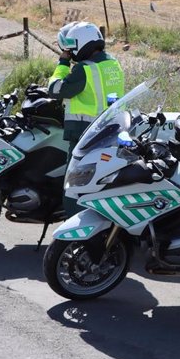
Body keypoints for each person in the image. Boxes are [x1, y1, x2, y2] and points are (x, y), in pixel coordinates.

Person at [48, 21, 125, 216]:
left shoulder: (85, 69)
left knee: (74, 184)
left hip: (84, 135)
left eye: (73, 46)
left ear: (83, 43)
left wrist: (63, 63)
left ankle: (73, 224)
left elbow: (55, 89)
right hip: (109, 131)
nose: (71, 51)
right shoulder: (112, 63)